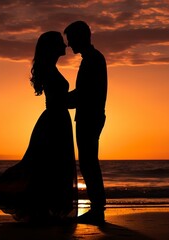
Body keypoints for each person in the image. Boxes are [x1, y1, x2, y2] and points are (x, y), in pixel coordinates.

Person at [0, 31, 78, 223]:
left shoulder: (49, 68)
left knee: (47, 165)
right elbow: (61, 100)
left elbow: (61, 100)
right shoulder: (50, 70)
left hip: (55, 119)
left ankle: (44, 209)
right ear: (52, 47)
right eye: (61, 43)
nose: (65, 46)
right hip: (55, 121)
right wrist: (82, 94)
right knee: (48, 164)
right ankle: (40, 208)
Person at [64, 21, 107, 225]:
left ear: (81, 37)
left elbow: (85, 93)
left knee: (89, 163)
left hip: (89, 117)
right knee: (88, 162)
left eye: (71, 39)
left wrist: (61, 101)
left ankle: (98, 209)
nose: (69, 44)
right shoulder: (91, 58)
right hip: (90, 116)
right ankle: (97, 208)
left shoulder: (93, 59)